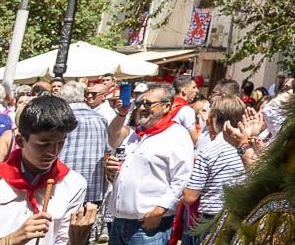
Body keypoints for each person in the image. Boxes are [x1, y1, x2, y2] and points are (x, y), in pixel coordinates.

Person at [0, 95, 96, 245]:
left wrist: (77, 240)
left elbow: (62, 240)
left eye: (60, 143)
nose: (53, 152)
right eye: (43, 144)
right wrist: (11, 240)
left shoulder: (73, 184)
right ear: (20, 141)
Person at [103, 85, 193, 245]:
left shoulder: (177, 135)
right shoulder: (136, 134)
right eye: (139, 103)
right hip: (119, 222)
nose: (142, 107)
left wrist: (160, 209)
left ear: (167, 106)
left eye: (148, 103)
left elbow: (181, 178)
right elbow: (112, 137)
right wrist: (113, 172)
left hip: (148, 225)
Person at [179, 97, 247, 245]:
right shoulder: (248, 147)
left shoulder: (210, 149)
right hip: (240, 217)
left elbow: (190, 196)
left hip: (212, 220)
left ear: (215, 118)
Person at [55, 84, 109, 213]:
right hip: (93, 188)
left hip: (63, 184)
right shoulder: (101, 119)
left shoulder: (60, 119)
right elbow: (107, 151)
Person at [169, 78, 199, 146]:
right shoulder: (187, 111)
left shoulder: (165, 106)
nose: (197, 90)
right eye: (194, 87)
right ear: (184, 91)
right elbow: (195, 140)